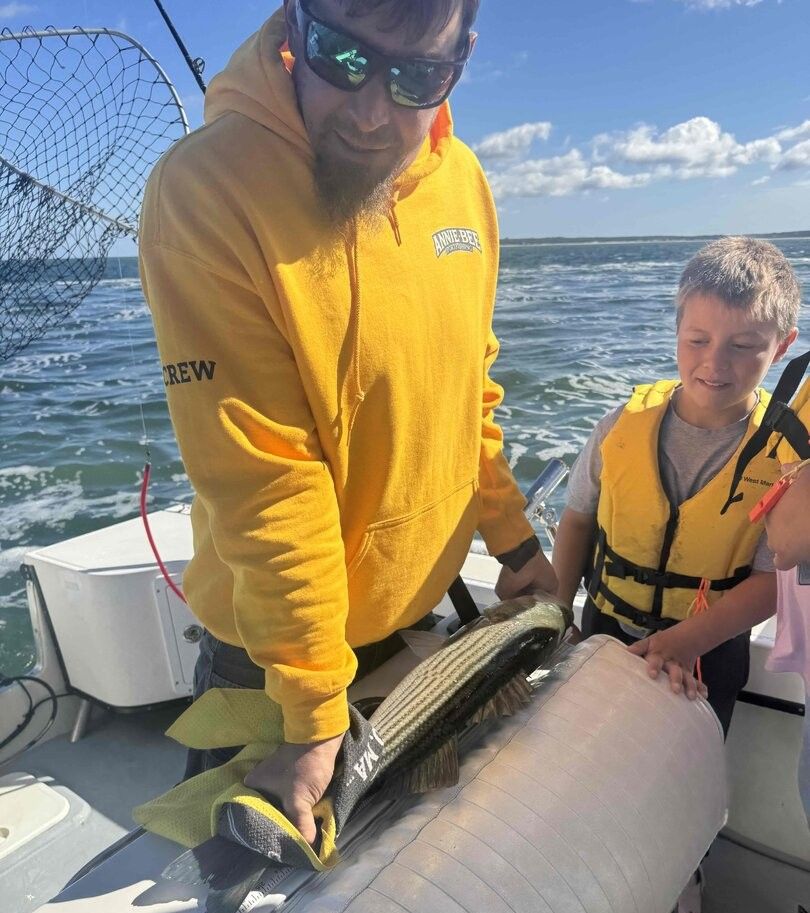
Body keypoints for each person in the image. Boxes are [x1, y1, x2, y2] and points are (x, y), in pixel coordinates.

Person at [139, 0, 556, 847]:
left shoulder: (465, 180)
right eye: (342, 57)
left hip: (419, 628)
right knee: (236, 872)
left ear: (460, 60)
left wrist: (515, 544)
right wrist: (314, 710)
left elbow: (466, 391)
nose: (372, 112)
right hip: (278, 671)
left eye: (417, 76)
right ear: (294, 25)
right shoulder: (206, 190)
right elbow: (265, 476)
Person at [552, 237, 800, 738]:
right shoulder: (620, 425)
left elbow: (776, 578)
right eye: (697, 340)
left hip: (711, 651)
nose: (715, 363)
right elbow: (577, 519)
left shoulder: (788, 456)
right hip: (603, 632)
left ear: (783, 346)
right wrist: (557, 616)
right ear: (676, 331)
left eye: (744, 346)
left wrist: (688, 641)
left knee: (685, 781)